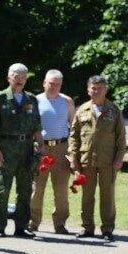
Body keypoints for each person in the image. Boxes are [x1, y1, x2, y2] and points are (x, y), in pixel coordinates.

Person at [69, 75, 127, 240]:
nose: (96, 91)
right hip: (86, 160)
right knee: (87, 195)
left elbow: (121, 137)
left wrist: (119, 158)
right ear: (88, 90)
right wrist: (74, 158)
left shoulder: (114, 110)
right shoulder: (82, 110)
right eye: (93, 88)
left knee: (107, 195)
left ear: (106, 89)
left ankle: (107, 229)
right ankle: (87, 228)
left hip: (108, 161)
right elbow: (74, 136)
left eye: (100, 88)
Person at [0, 64, 41, 237]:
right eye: (16, 76)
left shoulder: (31, 99)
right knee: (2, 188)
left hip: (26, 149)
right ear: (9, 77)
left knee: (25, 190)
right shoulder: (1, 98)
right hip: (7, 148)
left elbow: (37, 126)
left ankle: (21, 227)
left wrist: (41, 146)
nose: (20, 80)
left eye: (23, 77)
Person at [27, 69, 75, 234]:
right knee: (36, 188)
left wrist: (72, 151)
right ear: (44, 83)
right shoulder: (35, 101)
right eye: (51, 83)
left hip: (61, 148)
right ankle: (33, 222)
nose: (54, 87)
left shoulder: (67, 101)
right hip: (40, 148)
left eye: (57, 84)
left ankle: (60, 224)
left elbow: (74, 127)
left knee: (61, 189)